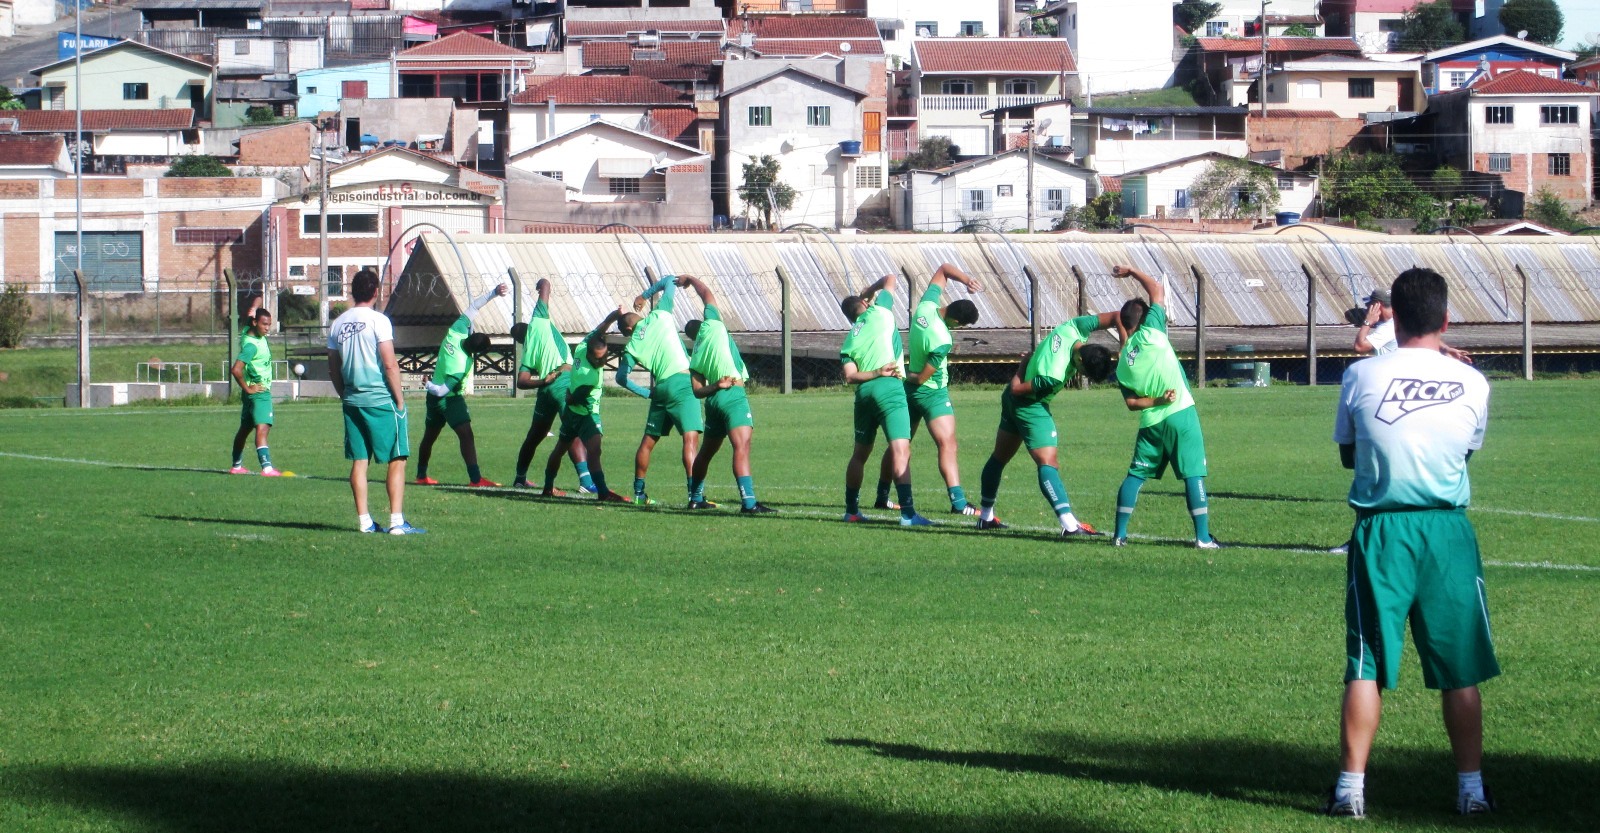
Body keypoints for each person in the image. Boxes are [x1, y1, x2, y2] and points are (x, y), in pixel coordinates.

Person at [1324, 267, 1497, 819]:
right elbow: (1466, 450)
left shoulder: (1359, 375)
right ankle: (1471, 790)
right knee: (1460, 668)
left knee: (1366, 663)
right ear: (1446, 320)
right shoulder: (1474, 381)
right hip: (1446, 529)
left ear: (1391, 318)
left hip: (1381, 531)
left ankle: (1351, 790)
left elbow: (1349, 454)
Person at [974, 311, 1118, 537]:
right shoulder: (1054, 373)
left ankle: (985, 517)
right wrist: (1022, 364)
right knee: (1048, 463)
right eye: (1084, 372)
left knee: (999, 457)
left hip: (1012, 403)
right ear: (1080, 360)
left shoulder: (1074, 327)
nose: (1081, 375)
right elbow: (1018, 388)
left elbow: (1116, 315)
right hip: (1028, 405)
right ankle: (1070, 526)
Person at [1109, 264, 1218, 549]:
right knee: (1193, 473)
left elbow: (1132, 404)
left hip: (1151, 423)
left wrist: (1156, 401)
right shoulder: (1153, 333)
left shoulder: (1122, 364)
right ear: (1145, 319)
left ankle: (1119, 535)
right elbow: (1156, 289)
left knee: (1135, 475)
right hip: (1180, 413)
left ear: (1123, 323)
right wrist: (1131, 270)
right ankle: (1203, 538)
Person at [873, 263, 982, 515]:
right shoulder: (943, 338)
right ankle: (958, 503)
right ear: (955, 320)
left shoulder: (925, 307)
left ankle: (881, 496)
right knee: (947, 444)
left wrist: (966, 279)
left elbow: (943, 270)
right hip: (931, 392)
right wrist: (906, 374)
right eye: (961, 325)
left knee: (899, 444)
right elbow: (922, 378)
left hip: (906, 393)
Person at [327, 268, 424, 535]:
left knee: (360, 460)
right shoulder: (378, 321)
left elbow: (333, 368)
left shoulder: (338, 323)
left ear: (352, 291)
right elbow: (390, 364)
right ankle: (396, 522)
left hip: (352, 400)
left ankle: (364, 522)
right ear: (376, 291)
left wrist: (343, 394)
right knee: (397, 456)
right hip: (380, 399)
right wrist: (400, 400)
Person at [677, 275, 776, 514]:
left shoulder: (696, 354)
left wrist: (715, 387)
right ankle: (749, 503)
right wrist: (690, 279)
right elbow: (707, 293)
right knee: (741, 446)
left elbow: (697, 391)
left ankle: (695, 497)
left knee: (707, 451)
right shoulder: (713, 325)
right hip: (733, 395)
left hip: (713, 402)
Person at [839, 273, 930, 526]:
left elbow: (850, 376)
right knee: (901, 448)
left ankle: (851, 510)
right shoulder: (880, 312)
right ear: (866, 305)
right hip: (889, 388)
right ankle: (908, 514)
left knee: (860, 453)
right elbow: (890, 278)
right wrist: (868, 291)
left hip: (864, 394)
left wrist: (872, 373)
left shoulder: (850, 338)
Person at [616, 275, 702, 507]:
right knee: (690, 439)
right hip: (682, 382)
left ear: (628, 329)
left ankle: (638, 494)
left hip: (660, 388)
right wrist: (643, 296)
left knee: (648, 442)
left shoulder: (632, 346)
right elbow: (669, 281)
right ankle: (695, 497)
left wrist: (647, 393)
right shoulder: (659, 316)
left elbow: (620, 378)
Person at [413, 282, 508, 487]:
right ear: (476, 353)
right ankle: (475, 479)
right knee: (466, 435)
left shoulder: (456, 332)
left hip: (433, 400)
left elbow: (474, 307)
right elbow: (441, 390)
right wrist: (427, 384)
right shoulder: (461, 364)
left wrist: (494, 292)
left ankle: (421, 475)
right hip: (449, 399)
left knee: (429, 437)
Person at [511, 278, 597, 496]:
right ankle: (586, 481)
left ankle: (520, 478)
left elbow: (521, 381)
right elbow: (547, 285)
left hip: (546, 388)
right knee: (574, 427)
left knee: (535, 435)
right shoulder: (539, 322)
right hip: (563, 378)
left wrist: (542, 381)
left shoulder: (528, 349)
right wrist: (539, 284)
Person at [540, 306, 632, 504]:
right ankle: (602, 492)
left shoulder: (582, 348)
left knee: (560, 449)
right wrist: (571, 397)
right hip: (585, 416)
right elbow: (576, 397)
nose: (602, 361)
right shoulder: (590, 376)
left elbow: (600, 329)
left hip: (571, 413)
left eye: (605, 356)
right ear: (590, 354)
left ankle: (548, 487)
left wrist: (613, 316)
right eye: (598, 358)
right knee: (594, 451)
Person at [229, 296, 282, 476]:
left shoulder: (247, 331)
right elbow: (236, 370)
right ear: (255, 323)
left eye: (269, 324)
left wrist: (254, 306)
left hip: (251, 395)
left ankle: (236, 466)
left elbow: (257, 301)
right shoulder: (251, 346)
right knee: (263, 427)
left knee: (245, 429)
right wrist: (248, 388)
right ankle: (266, 467)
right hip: (259, 392)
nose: (267, 328)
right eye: (264, 324)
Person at [1356, 286, 1472, 363]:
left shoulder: (1386, 328)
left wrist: (1367, 322)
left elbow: (1360, 347)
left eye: (1370, 304)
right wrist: (1446, 349)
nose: (1367, 308)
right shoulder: (1404, 319)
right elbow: (1425, 336)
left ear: (1378, 305)